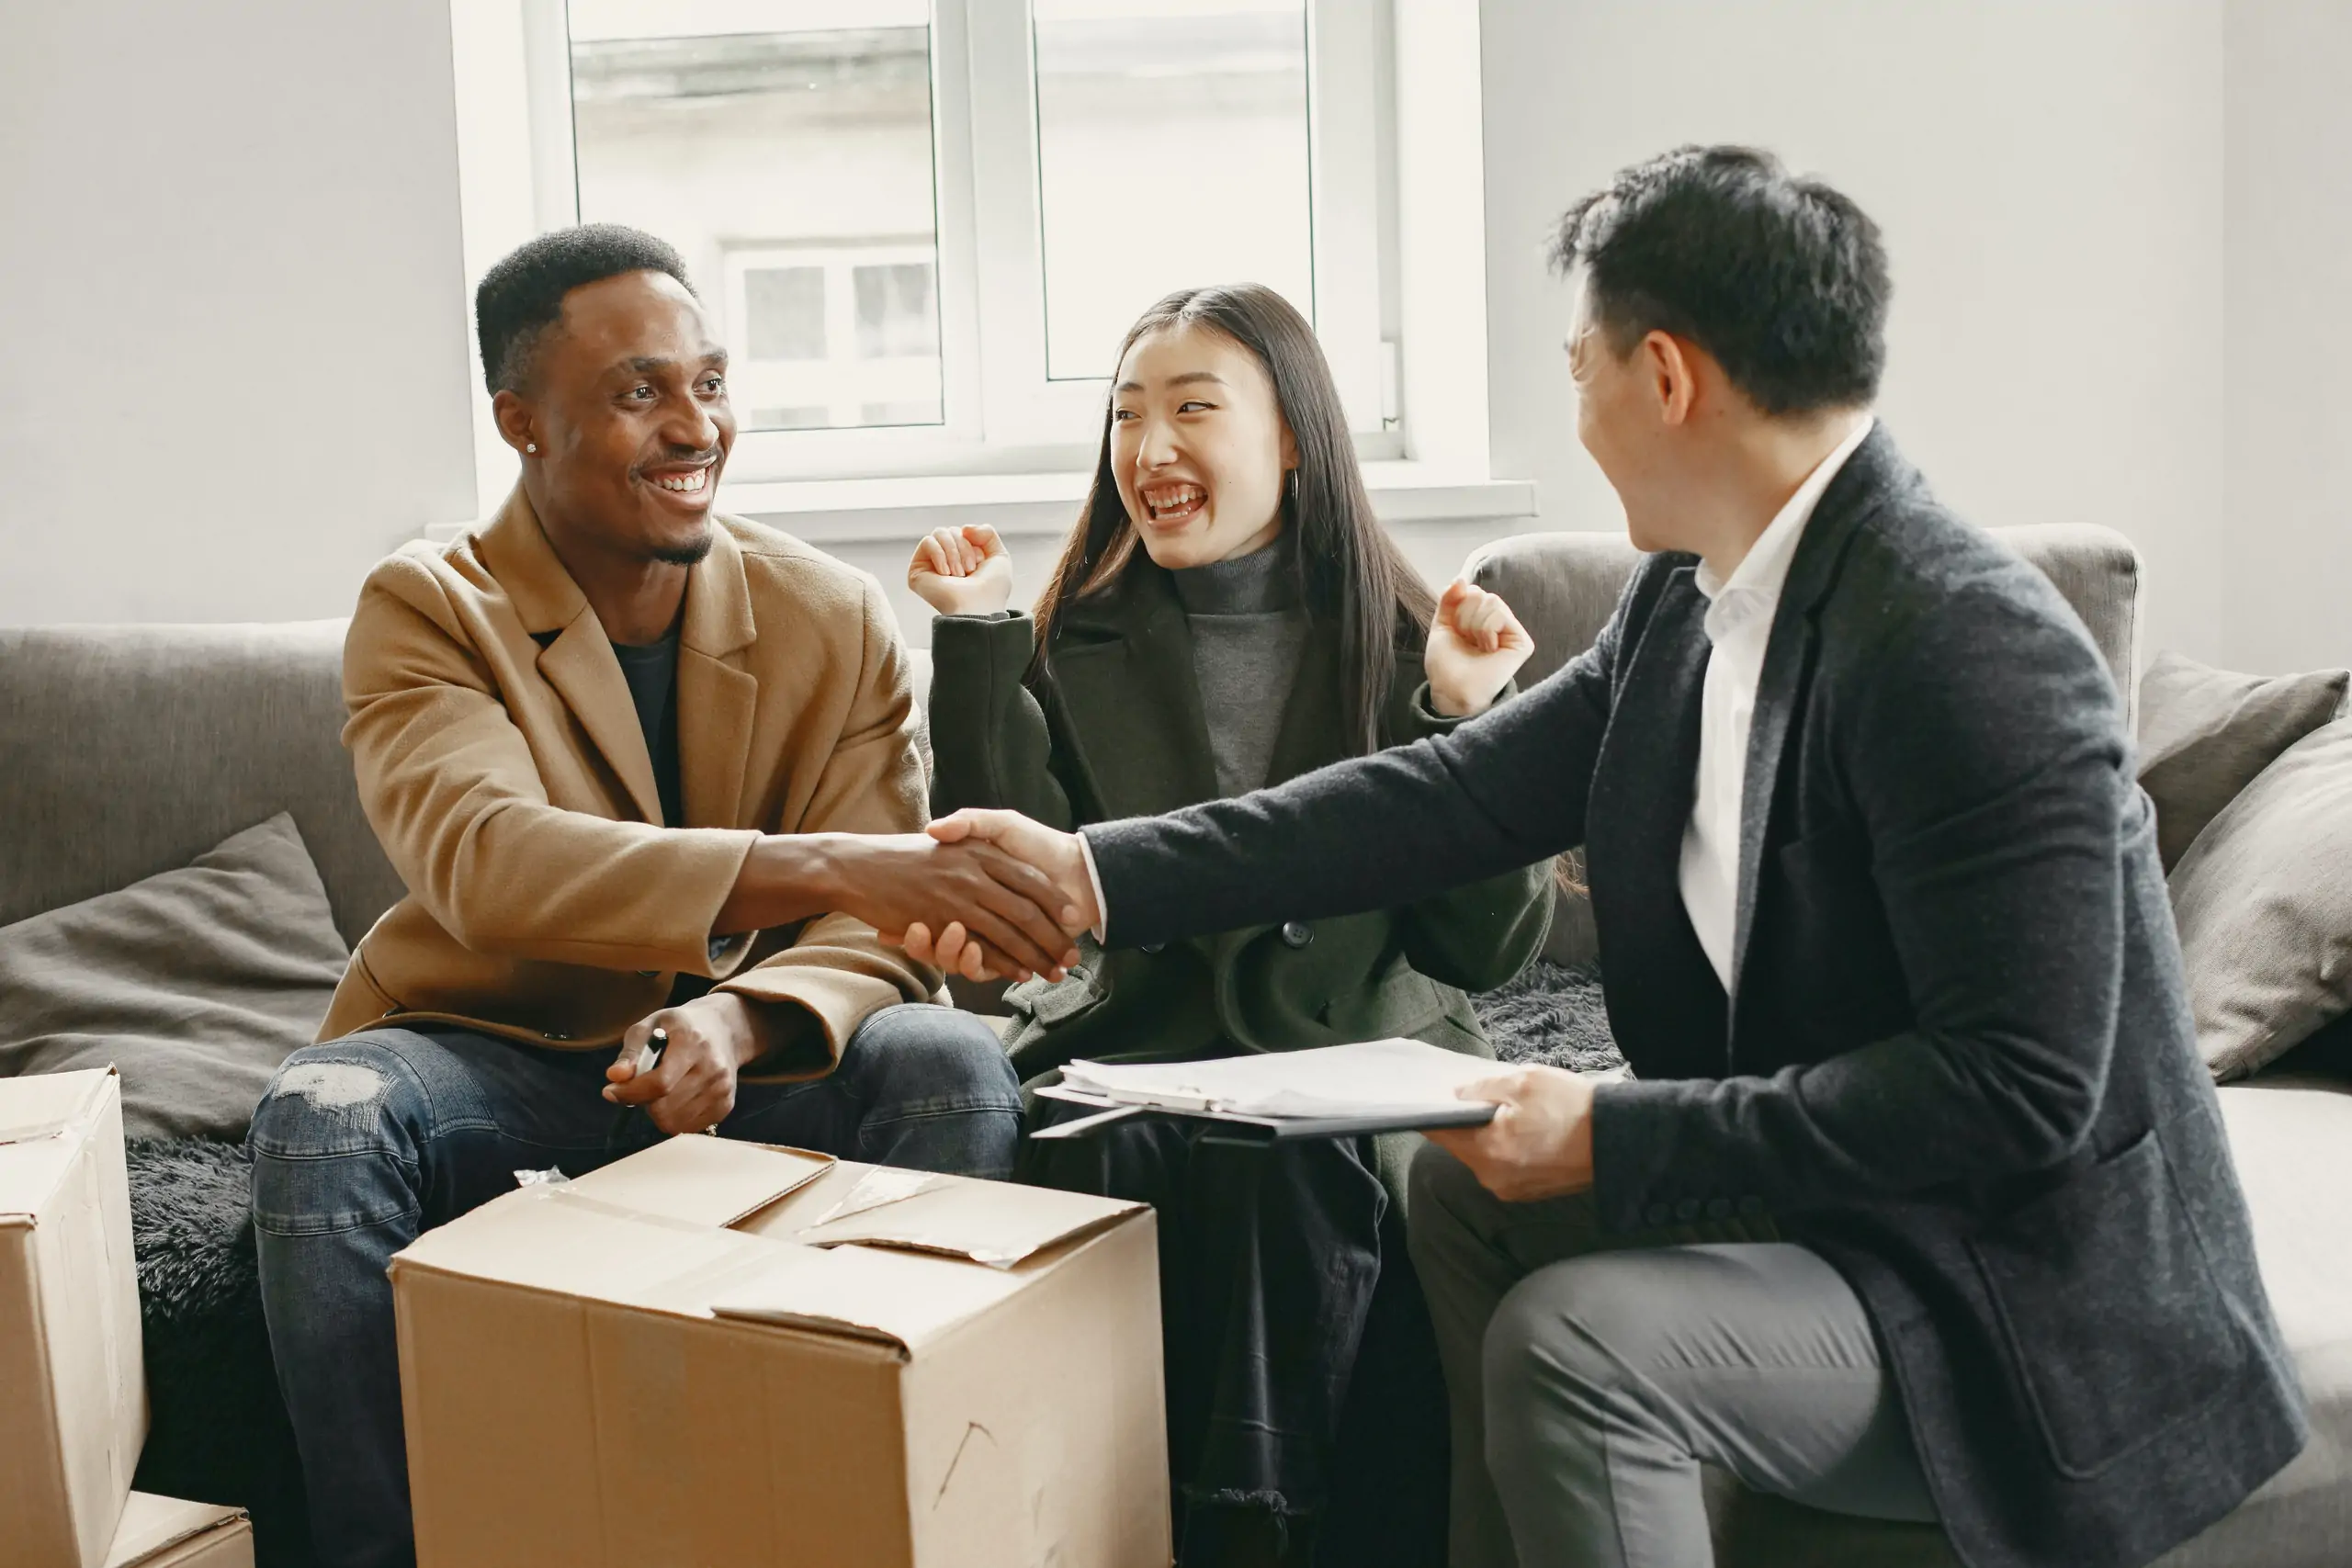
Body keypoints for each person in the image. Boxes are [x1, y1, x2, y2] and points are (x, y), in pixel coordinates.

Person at [904, 149, 2307, 1568]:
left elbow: (2018, 1092)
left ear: (1667, 375)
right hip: (1843, 1207)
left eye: (1579, 368)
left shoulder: (1966, 647)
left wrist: (1612, 1131)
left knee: (1574, 1344)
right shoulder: (1691, 606)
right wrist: (1095, 872)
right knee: (1456, 1189)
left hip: (2004, 1291)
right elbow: (1430, 802)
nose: (1574, 411)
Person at [246, 225, 1080, 1568]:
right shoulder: (426, 608)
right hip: (498, 1056)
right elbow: (487, 855)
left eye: (711, 381)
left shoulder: (830, 614)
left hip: (757, 1064)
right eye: (641, 392)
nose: (697, 424)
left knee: (949, 1060)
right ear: (521, 421)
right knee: (319, 1113)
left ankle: (861, 1524)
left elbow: (880, 935)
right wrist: (832, 859)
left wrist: (744, 1021)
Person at [903, 282, 1553, 1565]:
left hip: (1357, 1069)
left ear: (1296, 438)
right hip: (1135, 1052)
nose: (1149, 450)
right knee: (1112, 1160)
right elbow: (1006, 898)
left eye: (1194, 410)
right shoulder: (1069, 639)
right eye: (1125, 415)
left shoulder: (1404, 642)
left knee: (1285, 1164)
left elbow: (1484, 949)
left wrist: (1461, 719)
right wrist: (977, 637)